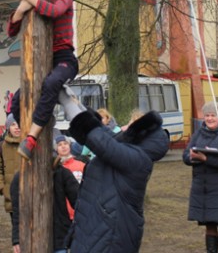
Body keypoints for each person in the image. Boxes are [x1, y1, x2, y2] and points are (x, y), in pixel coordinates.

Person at [66, 108, 169, 252]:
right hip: (100, 232)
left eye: (131, 125)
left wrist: (67, 103)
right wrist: (77, 105)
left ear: (141, 137)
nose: (125, 127)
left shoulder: (137, 160)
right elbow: (103, 134)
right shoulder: (128, 152)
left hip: (111, 237)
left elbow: (102, 142)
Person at [9, 0, 84, 160]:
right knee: (17, 101)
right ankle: (37, 138)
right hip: (42, 61)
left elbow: (54, 11)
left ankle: (32, 138)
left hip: (64, 58)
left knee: (51, 84)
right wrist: (22, 8)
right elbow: (11, 30)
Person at [184, 102, 218, 253]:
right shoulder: (198, 133)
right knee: (210, 224)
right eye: (207, 115)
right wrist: (192, 157)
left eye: (213, 115)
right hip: (203, 188)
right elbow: (185, 155)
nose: (209, 118)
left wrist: (206, 159)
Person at [10, 161, 80, 253]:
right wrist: (17, 239)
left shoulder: (61, 173)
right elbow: (17, 213)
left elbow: (79, 202)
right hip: (31, 238)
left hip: (59, 236)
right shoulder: (20, 178)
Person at [0, 114, 22, 221]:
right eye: (13, 124)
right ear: (8, 127)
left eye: (19, 124)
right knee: (16, 229)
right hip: (11, 196)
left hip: (29, 195)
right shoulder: (2, 146)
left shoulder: (29, 144)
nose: (17, 127)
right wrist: (1, 187)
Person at [54, 134, 85, 220]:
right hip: (63, 213)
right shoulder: (55, 169)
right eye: (59, 145)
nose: (63, 146)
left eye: (65, 143)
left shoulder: (82, 165)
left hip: (79, 211)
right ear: (56, 149)